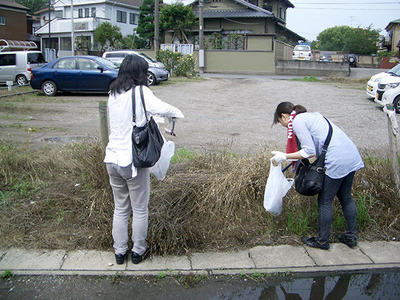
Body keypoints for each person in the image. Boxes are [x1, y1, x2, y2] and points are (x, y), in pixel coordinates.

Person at [104, 55, 184, 264]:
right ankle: (139, 251)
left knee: (120, 207)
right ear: (139, 73)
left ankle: (120, 252)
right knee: (139, 208)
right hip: (132, 162)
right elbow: (164, 109)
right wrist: (178, 114)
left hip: (111, 159)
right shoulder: (141, 92)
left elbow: (128, 120)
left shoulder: (113, 93)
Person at [271, 102, 364, 250]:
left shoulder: (297, 122)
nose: (284, 126)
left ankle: (322, 241)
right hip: (350, 154)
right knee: (346, 197)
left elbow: (309, 151)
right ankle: (351, 237)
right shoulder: (313, 116)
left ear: (284, 116)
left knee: (325, 201)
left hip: (337, 158)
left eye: (281, 122)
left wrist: (285, 156)